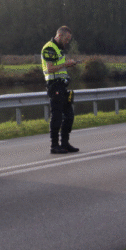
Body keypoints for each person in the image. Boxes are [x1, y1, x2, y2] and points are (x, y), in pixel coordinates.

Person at [41, 26, 79, 154]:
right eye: (67, 39)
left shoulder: (58, 49)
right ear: (60, 35)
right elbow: (50, 68)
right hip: (54, 85)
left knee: (69, 116)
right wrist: (66, 64)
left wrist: (68, 65)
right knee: (57, 116)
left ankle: (65, 143)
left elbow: (59, 67)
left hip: (62, 86)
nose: (67, 42)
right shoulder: (49, 48)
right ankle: (54, 145)